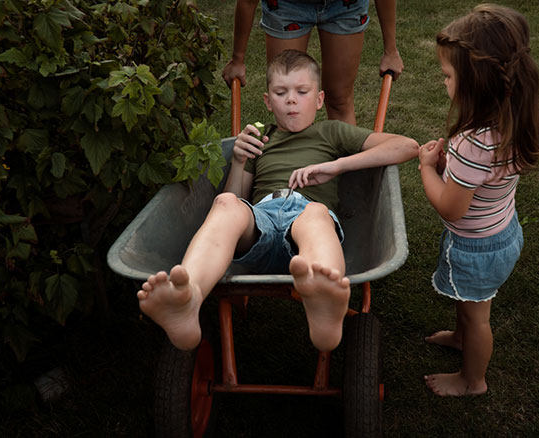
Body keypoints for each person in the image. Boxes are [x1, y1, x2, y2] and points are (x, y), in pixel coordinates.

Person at [137, 49, 418, 353]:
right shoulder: (261, 140)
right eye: (281, 93)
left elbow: (407, 146)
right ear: (268, 102)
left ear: (320, 100)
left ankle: (325, 301)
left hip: (306, 222)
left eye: (302, 91)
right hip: (262, 221)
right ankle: (188, 299)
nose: (292, 100)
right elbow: (237, 198)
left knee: (316, 213)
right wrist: (240, 161)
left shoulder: (331, 132)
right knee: (224, 205)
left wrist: (337, 165)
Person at [418, 4, 539, 396]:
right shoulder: (511, 120)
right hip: (502, 231)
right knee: (469, 305)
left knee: (478, 319)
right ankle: (459, 336)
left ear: (476, 82)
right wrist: (450, 168)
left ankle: (472, 380)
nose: (443, 82)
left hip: (475, 247)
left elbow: (452, 206)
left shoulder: (475, 142)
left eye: (448, 75)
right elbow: (481, 182)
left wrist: (425, 167)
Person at [222, 0, 403, 125]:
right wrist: (238, 58)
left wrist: (391, 50)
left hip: (345, 5)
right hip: (287, 5)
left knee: (339, 98)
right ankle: (289, 173)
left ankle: (348, 175)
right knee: (288, 100)